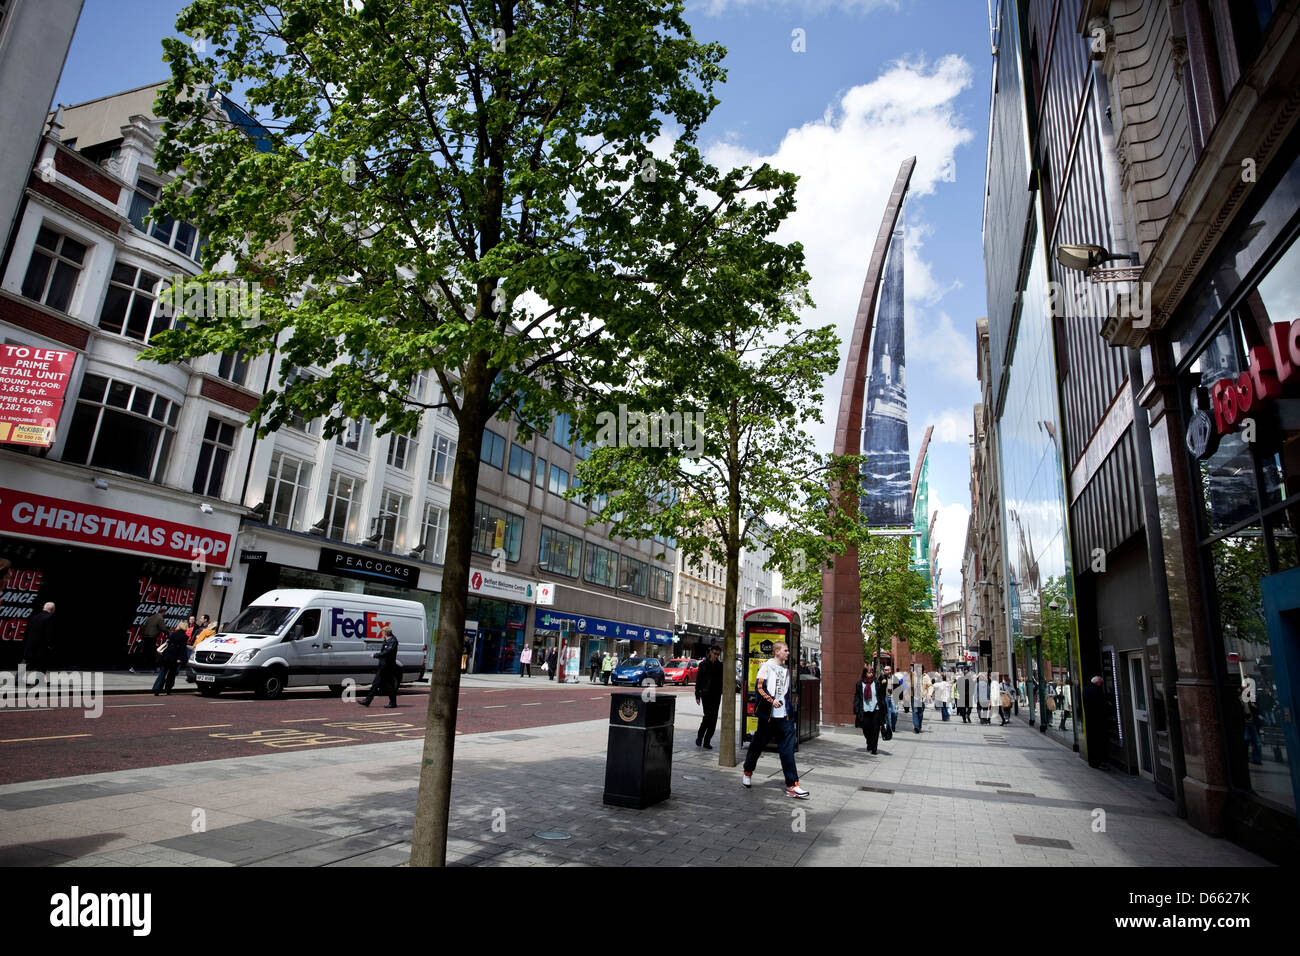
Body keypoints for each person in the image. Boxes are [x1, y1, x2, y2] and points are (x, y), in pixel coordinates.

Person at [741, 641, 808, 798]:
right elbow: (759, 688)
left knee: (788, 750)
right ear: (777, 651)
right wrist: (772, 701)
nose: (788, 653)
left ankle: (792, 785)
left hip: (784, 717)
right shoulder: (766, 666)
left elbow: (784, 692)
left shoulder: (785, 669)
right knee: (757, 745)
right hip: (768, 717)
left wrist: (789, 706)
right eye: (785, 650)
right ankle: (747, 772)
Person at [362, 624, 401, 708]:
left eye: (382, 633)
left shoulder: (393, 641)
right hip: (383, 666)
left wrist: (375, 655)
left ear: (385, 633)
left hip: (388, 667)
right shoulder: (387, 640)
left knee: (385, 685)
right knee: (379, 684)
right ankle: (368, 701)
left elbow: (387, 652)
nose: (382, 634)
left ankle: (392, 703)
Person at [695, 644, 724, 749]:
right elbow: (698, 680)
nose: (716, 656)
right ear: (710, 652)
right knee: (708, 717)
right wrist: (697, 695)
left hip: (716, 695)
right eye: (715, 653)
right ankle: (700, 737)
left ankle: (707, 741)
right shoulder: (703, 664)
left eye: (718, 654)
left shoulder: (720, 665)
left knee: (714, 718)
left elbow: (722, 680)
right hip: (706, 694)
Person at [22, 601, 56, 684]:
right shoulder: (50, 617)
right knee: (42, 664)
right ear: (52, 609)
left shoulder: (34, 617)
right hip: (42, 645)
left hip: (30, 644)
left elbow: (27, 630)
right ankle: (39, 681)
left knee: (25, 662)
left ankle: (17, 680)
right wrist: (50, 644)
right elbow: (49, 632)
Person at [854, 664, 883, 755]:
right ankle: (869, 742)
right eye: (868, 672)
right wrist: (856, 708)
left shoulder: (876, 683)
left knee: (875, 729)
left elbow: (880, 696)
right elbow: (857, 697)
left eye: (871, 672)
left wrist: (883, 707)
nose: (870, 674)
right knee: (866, 728)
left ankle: (874, 748)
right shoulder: (859, 684)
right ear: (865, 673)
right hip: (865, 710)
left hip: (876, 709)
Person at [152, 626, 187, 695]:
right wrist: (179, 658)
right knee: (171, 674)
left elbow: (167, 643)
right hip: (175, 657)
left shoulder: (172, 634)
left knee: (162, 672)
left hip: (167, 655)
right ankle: (168, 689)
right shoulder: (184, 637)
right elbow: (182, 649)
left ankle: (157, 689)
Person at [1082, 675, 1106, 767]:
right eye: (1100, 683)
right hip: (1096, 719)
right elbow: (1098, 703)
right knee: (1096, 741)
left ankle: (1092, 761)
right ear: (1098, 683)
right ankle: (1096, 762)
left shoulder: (1086, 688)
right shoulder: (1094, 690)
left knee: (1091, 740)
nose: (1101, 685)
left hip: (1089, 718)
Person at [882, 664, 899, 733]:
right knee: (887, 713)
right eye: (885, 670)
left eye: (887, 670)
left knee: (894, 712)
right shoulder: (882, 677)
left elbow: (898, 688)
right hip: (885, 697)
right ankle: (889, 726)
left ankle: (893, 725)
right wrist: (881, 682)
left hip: (893, 697)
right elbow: (878, 686)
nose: (886, 671)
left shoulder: (894, 678)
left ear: (890, 670)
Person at [910, 667, 925, 733]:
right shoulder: (912, 676)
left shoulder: (925, 677)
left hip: (921, 697)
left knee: (920, 713)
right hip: (914, 696)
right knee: (915, 711)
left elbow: (930, 686)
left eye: (920, 670)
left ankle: (919, 725)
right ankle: (916, 726)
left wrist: (929, 694)